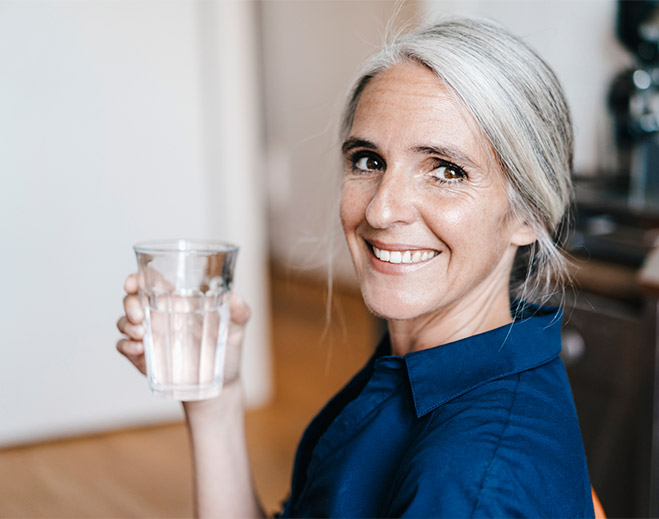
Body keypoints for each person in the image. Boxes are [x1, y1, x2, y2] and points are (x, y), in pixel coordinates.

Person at [117, 17, 597, 518]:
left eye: (446, 171)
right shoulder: (427, 364)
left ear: (529, 215)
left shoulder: (468, 486)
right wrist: (214, 400)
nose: (381, 210)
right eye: (368, 161)